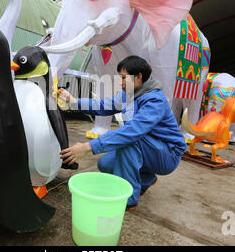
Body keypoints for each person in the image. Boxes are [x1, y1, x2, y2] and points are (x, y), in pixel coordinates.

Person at [58, 56, 186, 210]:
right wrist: (73, 101)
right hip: (150, 148)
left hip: (167, 154)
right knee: (105, 164)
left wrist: (88, 147)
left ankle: (128, 200)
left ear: (138, 76)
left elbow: (132, 131)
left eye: (124, 78)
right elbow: (103, 105)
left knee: (129, 139)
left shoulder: (154, 100)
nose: (121, 82)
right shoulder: (128, 95)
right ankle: (146, 178)